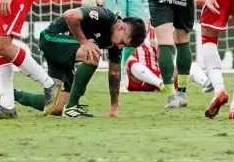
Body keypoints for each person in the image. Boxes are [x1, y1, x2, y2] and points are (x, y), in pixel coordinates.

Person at [13, 7, 147, 117]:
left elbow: (114, 73)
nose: (121, 46)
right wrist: (84, 42)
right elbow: (70, 15)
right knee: (92, 53)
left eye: (125, 46)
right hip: (51, 39)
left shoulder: (114, 44)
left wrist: (114, 106)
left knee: (56, 106)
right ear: (121, 28)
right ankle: (73, 107)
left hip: (63, 51)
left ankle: (12, 94)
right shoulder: (104, 16)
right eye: (123, 42)